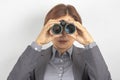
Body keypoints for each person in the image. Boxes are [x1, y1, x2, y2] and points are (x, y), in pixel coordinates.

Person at [7, 4, 112, 80]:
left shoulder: (89, 57)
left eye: (69, 28)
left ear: (78, 29)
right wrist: (38, 43)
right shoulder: (35, 57)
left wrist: (89, 43)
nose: (63, 34)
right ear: (47, 29)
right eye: (57, 28)